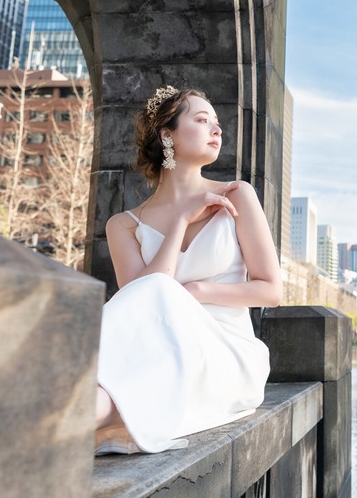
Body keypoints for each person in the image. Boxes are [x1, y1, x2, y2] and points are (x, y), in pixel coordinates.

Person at [93, 86, 282, 454]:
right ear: (168, 134)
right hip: (155, 354)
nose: (217, 130)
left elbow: (271, 290)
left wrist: (196, 293)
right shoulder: (123, 225)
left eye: (217, 123)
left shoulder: (236, 195)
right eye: (201, 120)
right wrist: (181, 220)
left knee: (160, 297)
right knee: (145, 320)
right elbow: (137, 302)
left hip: (227, 354)